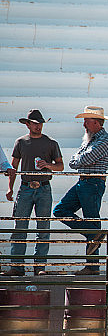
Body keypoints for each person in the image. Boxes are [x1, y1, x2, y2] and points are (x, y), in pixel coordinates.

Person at [53, 106, 108, 275]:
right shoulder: (93, 139)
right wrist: (78, 160)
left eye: (86, 121)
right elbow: (75, 161)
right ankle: (93, 234)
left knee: (91, 219)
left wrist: (78, 160)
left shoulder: (104, 140)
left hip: (92, 183)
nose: (84, 124)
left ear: (96, 122)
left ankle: (92, 265)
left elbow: (82, 158)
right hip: (86, 182)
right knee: (60, 211)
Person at [3, 110, 64, 277]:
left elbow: (61, 166)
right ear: (28, 124)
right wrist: (10, 188)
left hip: (44, 186)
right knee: (20, 227)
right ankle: (17, 266)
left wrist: (48, 165)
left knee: (43, 228)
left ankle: (39, 266)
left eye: (40, 123)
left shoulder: (51, 143)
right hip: (26, 187)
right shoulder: (21, 142)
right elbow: (13, 167)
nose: (38, 126)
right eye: (35, 123)